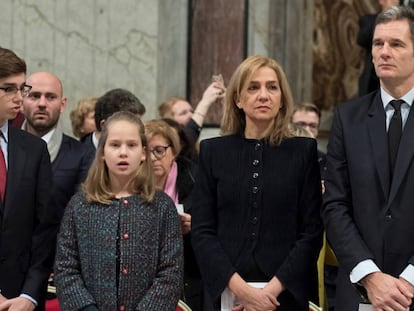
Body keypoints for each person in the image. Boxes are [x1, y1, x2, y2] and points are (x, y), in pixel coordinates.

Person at [191, 55, 323, 310]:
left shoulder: (303, 151)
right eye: (253, 87)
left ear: (282, 98)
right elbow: (203, 231)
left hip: (283, 294)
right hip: (228, 294)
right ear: (238, 99)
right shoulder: (213, 151)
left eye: (272, 87)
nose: (264, 95)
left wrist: (269, 292)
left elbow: (311, 232)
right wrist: (242, 290)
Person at [322, 6, 414, 311]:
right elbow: (335, 204)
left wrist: (409, 280)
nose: (384, 52)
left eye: (396, 44)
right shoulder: (348, 119)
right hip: (362, 292)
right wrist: (370, 275)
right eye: (378, 44)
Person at [54, 111, 183, 310]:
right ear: (103, 152)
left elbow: (170, 273)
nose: (123, 152)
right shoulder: (80, 204)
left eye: (131, 145)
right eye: (115, 145)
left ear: (143, 153)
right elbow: (66, 267)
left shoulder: (162, 206)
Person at [0, 47, 56, 311]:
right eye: (9, 89)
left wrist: (30, 295)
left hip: (20, 298)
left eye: (22, 88)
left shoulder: (34, 150)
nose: (19, 98)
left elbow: (44, 230)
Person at [22, 71, 94, 223]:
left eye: (50, 97)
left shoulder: (82, 155)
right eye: (34, 96)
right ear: (21, 101)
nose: (42, 103)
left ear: (62, 104)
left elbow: (80, 217)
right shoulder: (4, 148)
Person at [145, 119, 201, 310]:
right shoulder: (130, 186)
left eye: (159, 150)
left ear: (173, 151)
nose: (153, 158)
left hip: (189, 277)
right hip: (145, 282)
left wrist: (192, 229)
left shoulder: (196, 181)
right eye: (146, 151)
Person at [159, 80, 225, 144]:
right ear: (170, 121)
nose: (191, 115)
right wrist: (205, 101)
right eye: (183, 113)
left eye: (192, 111)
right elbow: (189, 134)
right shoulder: (169, 143)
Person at [357, 0, 400, 96]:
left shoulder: (406, 23)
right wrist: (387, 14)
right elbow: (361, 39)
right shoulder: (369, 20)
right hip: (373, 81)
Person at [291, 102, 327, 179]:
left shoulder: (326, 162)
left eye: (313, 126)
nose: (307, 129)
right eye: (301, 124)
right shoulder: (277, 157)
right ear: (289, 126)